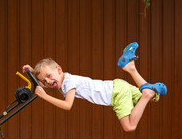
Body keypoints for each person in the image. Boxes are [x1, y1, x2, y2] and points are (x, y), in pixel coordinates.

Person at [22, 42, 167, 132]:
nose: (47, 82)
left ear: (59, 70)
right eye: (44, 81)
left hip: (116, 94)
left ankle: (146, 93)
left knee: (129, 126)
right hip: (118, 85)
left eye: (49, 76)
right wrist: (32, 72)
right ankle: (130, 68)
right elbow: (42, 83)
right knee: (155, 98)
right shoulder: (61, 78)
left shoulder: (69, 83)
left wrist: (45, 96)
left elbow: (67, 105)